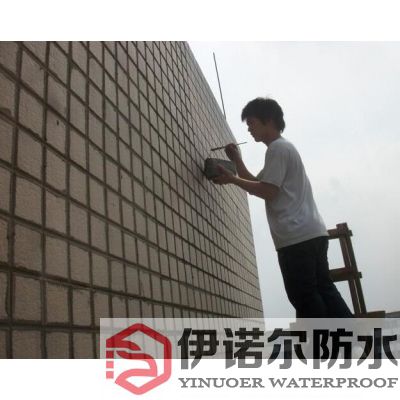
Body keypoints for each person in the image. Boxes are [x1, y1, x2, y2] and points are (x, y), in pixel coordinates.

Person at [212, 97, 353, 318]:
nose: (249, 129)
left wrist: (232, 179)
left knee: (305, 297)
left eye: (251, 122)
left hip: (296, 238)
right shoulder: (284, 148)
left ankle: (322, 339)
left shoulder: (277, 149)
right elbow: (255, 183)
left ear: (268, 120)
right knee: (325, 291)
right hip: (313, 233)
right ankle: (354, 336)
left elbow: (268, 192)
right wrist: (237, 160)